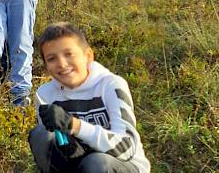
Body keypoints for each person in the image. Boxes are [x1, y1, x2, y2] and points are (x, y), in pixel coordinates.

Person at [29, 22, 150, 173]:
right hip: (78, 160)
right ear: (46, 66)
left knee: (96, 163)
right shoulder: (44, 94)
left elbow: (126, 149)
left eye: (69, 54)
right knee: (41, 135)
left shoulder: (111, 85)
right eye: (52, 58)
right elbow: (56, 144)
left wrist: (74, 125)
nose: (62, 64)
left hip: (120, 164)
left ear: (88, 56)